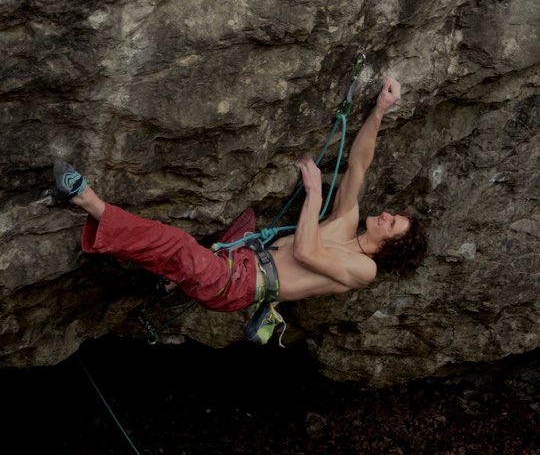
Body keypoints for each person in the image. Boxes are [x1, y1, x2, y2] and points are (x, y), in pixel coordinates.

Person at [51, 76, 427, 337]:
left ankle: (85, 199)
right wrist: (380, 109)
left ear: (392, 244)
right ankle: (173, 280)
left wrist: (313, 194)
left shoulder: (363, 269)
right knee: (223, 231)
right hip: (240, 256)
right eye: (394, 216)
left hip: (240, 285)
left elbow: (306, 251)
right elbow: (359, 164)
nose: (387, 216)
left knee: (176, 244)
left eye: (394, 224)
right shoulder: (348, 220)